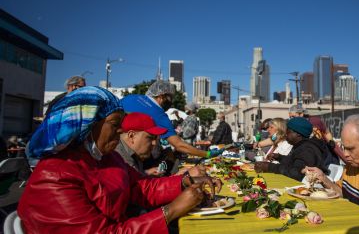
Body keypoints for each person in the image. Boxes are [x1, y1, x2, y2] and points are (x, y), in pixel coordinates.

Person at [18, 86, 222, 233]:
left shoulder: (108, 158)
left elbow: (142, 188)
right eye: (115, 124)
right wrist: (171, 210)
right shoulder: (54, 176)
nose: (121, 131)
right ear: (88, 124)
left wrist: (185, 181)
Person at [120, 80, 221, 159]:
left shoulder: (131, 97)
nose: (171, 102)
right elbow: (179, 145)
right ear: (161, 96)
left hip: (117, 146)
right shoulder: (159, 115)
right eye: (170, 98)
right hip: (132, 154)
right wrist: (207, 154)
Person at [254, 117, 328, 181]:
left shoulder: (307, 150)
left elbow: (296, 173)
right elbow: (294, 162)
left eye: (288, 132)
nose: (285, 135)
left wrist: (270, 167)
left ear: (298, 134)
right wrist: (279, 157)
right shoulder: (302, 146)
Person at [115, 112, 168, 177]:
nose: (154, 143)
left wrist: (146, 173)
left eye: (155, 138)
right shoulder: (117, 158)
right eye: (150, 137)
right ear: (131, 136)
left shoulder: (134, 155)